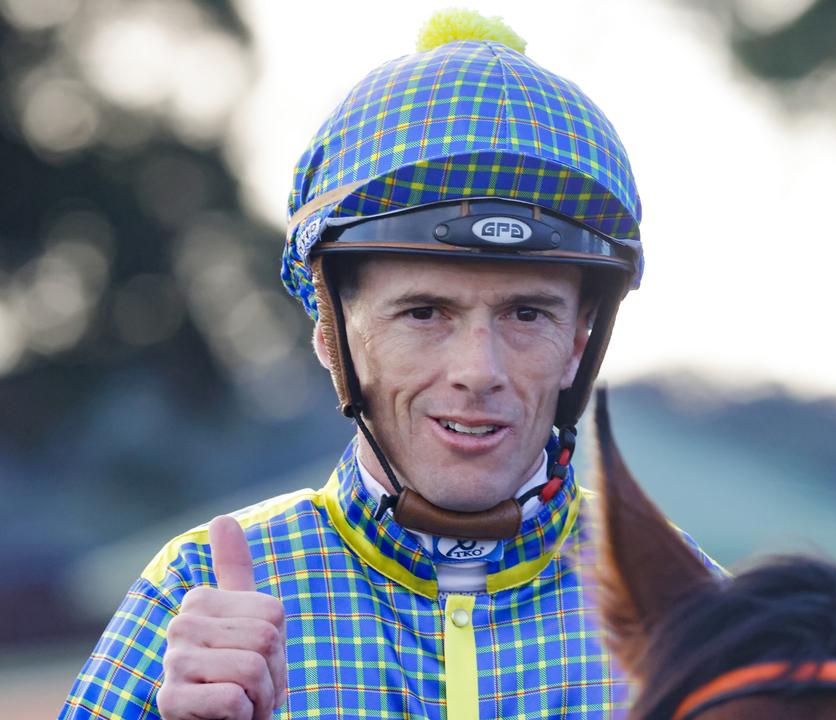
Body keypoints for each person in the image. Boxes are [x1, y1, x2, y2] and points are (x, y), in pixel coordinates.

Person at [61, 10, 717, 719]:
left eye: (527, 314)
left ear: (581, 341)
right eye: (424, 312)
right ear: (332, 333)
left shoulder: (692, 610)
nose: (479, 370)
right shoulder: (197, 594)